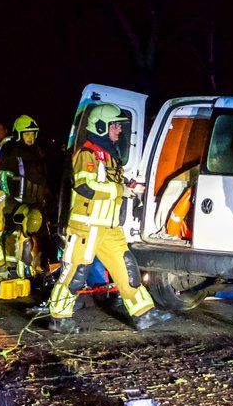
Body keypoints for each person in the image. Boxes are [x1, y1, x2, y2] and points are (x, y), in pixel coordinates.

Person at [40, 103, 171, 333]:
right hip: (87, 226)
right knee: (76, 271)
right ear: (101, 126)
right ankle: (59, 318)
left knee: (126, 268)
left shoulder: (111, 155)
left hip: (109, 227)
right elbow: (86, 186)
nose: (119, 130)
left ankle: (144, 313)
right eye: (116, 125)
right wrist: (122, 191)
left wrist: (128, 185)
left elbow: (109, 184)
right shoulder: (88, 153)